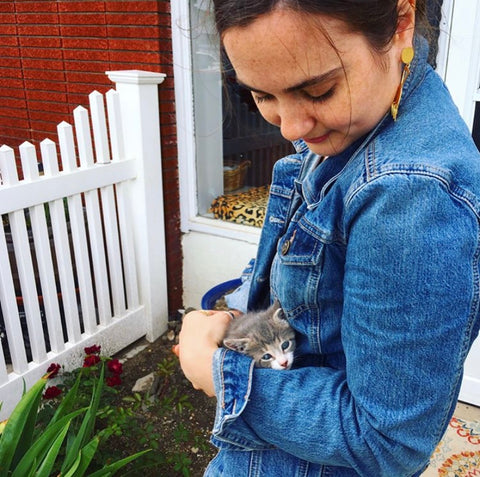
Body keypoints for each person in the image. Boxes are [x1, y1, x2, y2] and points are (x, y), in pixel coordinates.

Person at [178, 0, 480, 475]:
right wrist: (236, 318)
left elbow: (385, 441)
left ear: (401, 21)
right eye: (260, 95)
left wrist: (220, 375)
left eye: (319, 90)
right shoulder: (358, 125)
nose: (291, 127)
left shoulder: (410, 195)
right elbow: (312, 285)